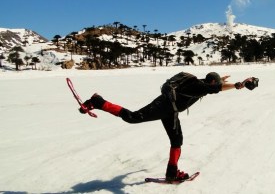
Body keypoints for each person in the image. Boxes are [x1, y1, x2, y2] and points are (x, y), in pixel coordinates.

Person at [81, 72, 258, 181]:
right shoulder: (200, 86)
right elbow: (216, 88)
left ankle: (172, 173)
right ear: (212, 83)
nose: (214, 87)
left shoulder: (201, 84)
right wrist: (238, 85)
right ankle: (98, 102)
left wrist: (222, 79)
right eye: (215, 84)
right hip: (164, 106)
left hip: (170, 111)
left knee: (177, 140)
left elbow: (212, 85)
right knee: (133, 117)